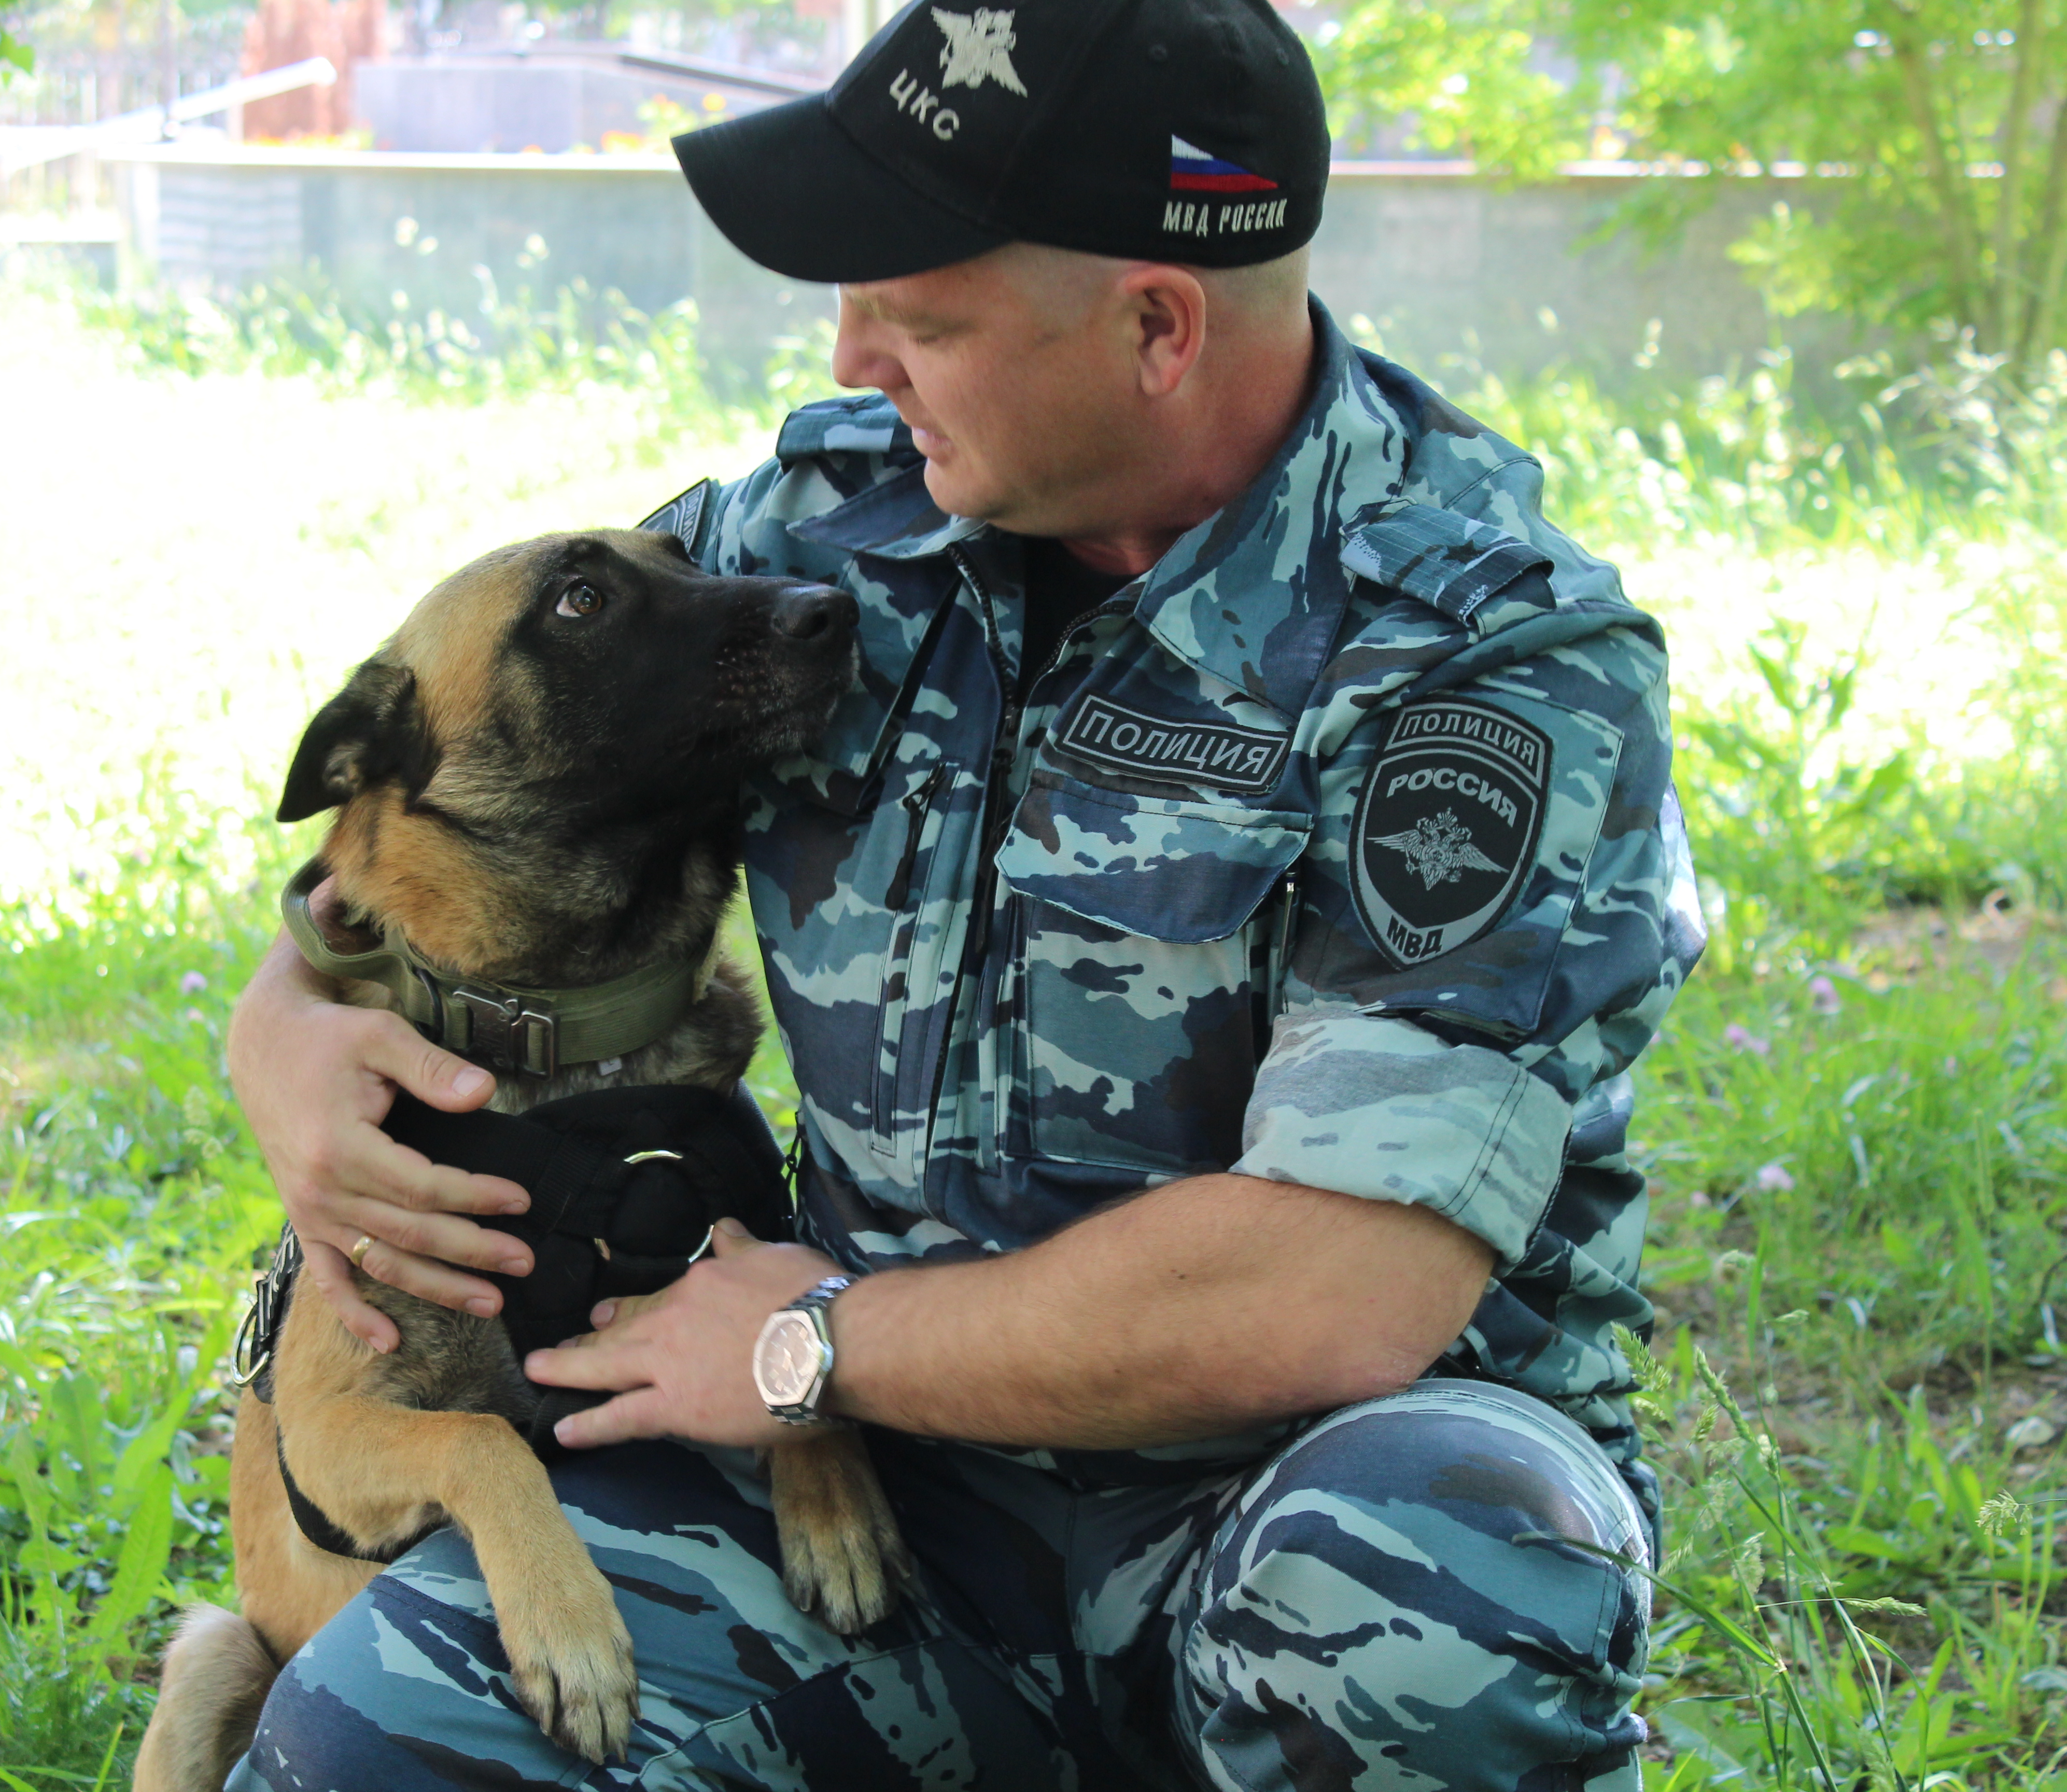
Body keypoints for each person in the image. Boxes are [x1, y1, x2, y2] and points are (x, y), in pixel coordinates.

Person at [221, 0, 1705, 1784]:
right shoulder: (829, 530)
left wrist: (806, 1348)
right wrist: (290, 1023)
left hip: (1293, 1512)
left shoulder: (1478, 657)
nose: (854, 359)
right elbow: (473, 773)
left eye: (920, 316)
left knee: (1457, 1578)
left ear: (1157, 327)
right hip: (890, 1520)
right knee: (391, 1742)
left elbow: (1326, 1294)